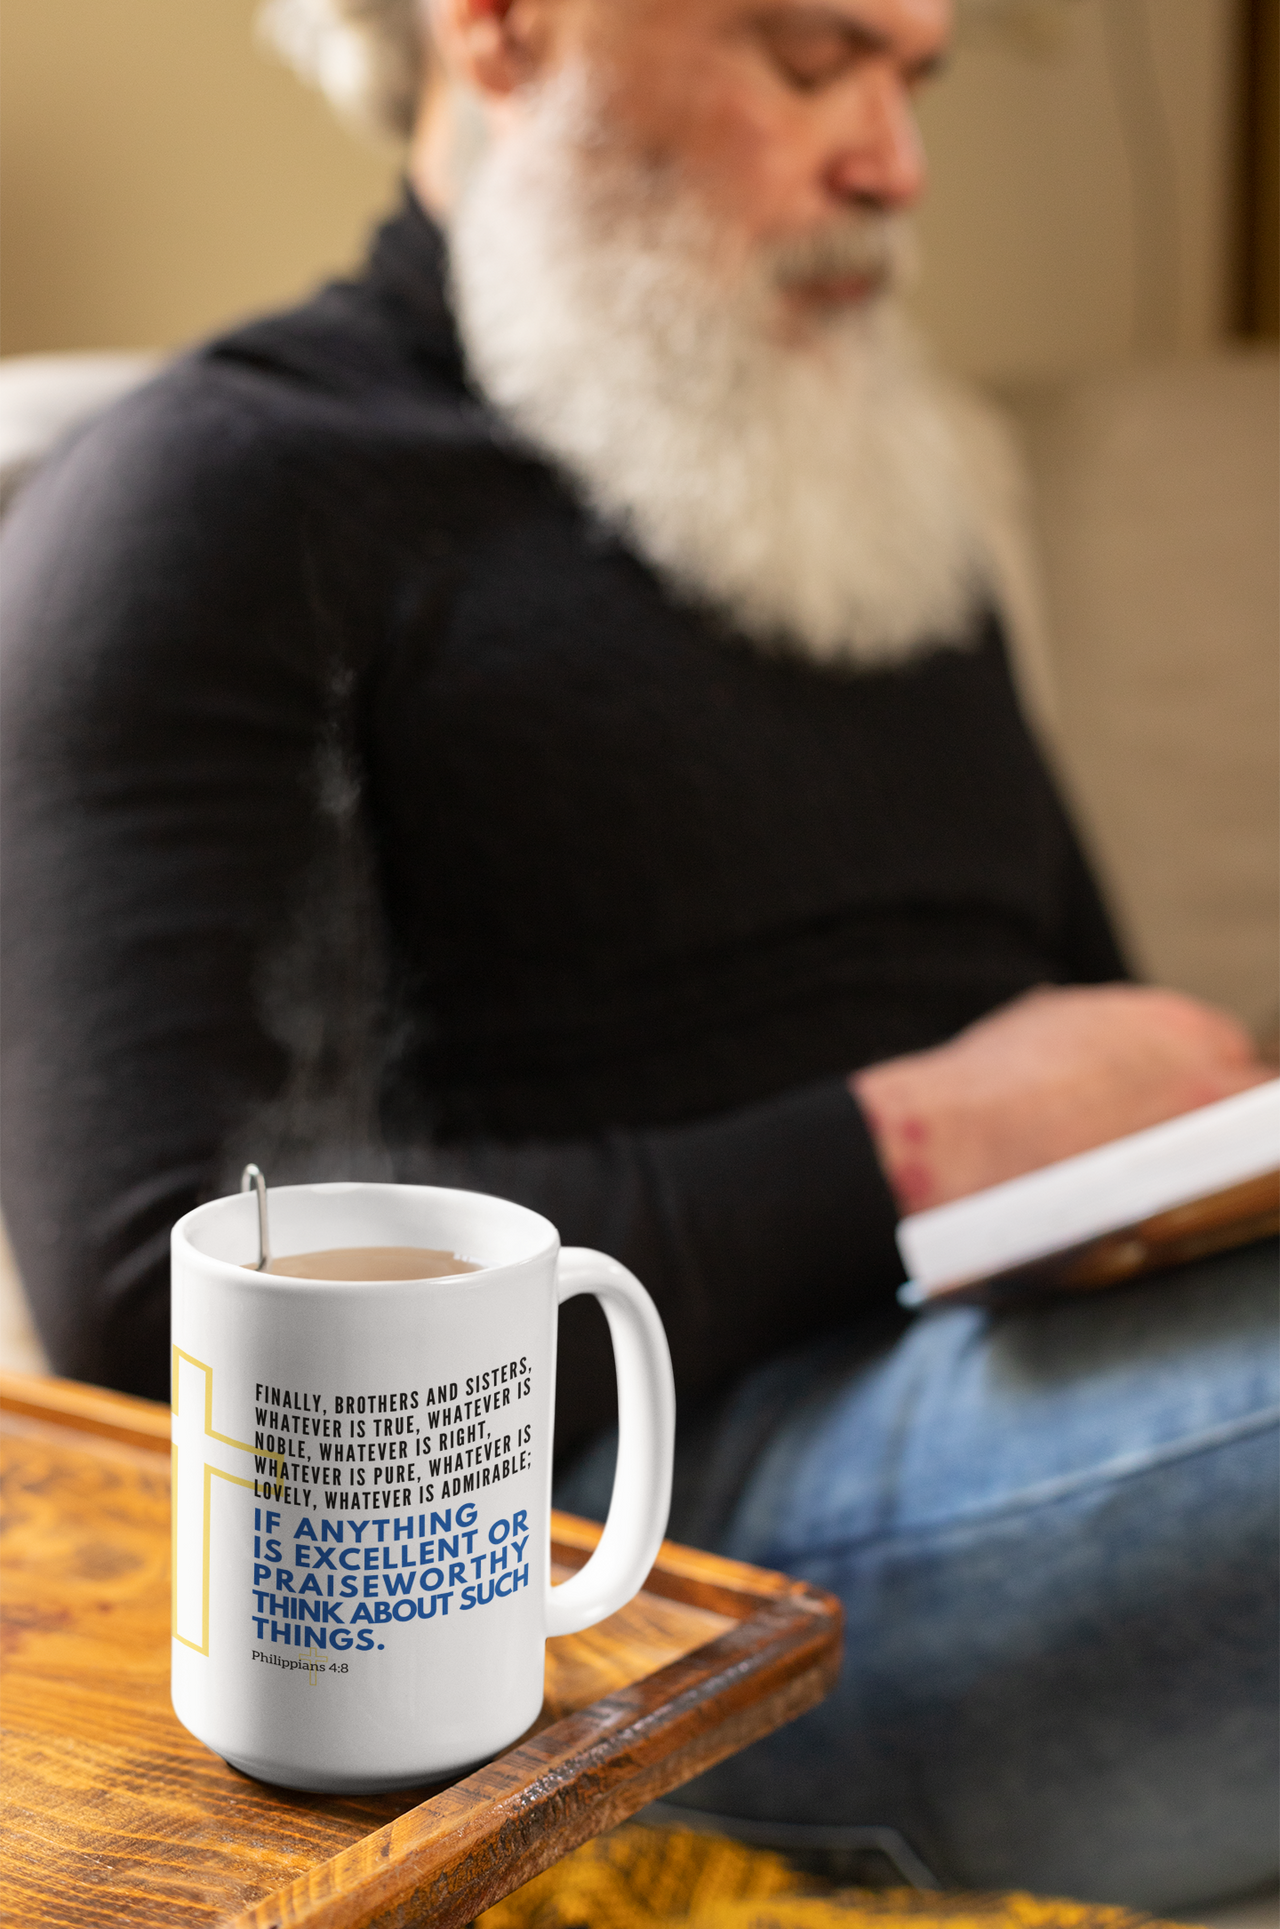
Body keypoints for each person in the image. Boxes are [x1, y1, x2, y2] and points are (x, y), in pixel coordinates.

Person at [1, 0, 1274, 1904]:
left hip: (1066, 1378)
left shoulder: (886, 500)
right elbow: (138, 1300)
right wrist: (910, 1145)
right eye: (807, 55)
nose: (897, 166)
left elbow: (1097, 1043)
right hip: (655, 1540)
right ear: (503, 26)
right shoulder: (218, 499)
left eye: (913, 81)